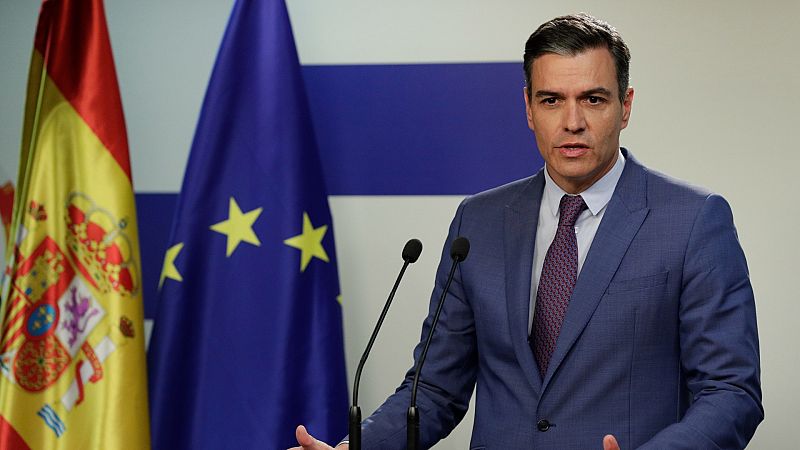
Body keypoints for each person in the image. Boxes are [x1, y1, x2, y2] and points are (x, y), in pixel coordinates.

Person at [292, 13, 762, 449]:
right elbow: (434, 389)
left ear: (625, 106)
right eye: (551, 100)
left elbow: (731, 391)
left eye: (593, 99)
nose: (572, 122)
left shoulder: (692, 220)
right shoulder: (478, 221)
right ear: (529, 108)